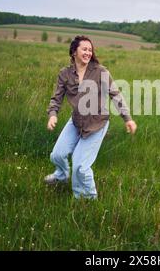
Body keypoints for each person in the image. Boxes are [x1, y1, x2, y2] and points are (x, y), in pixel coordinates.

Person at [45, 35, 137, 199]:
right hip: (76, 121)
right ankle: (61, 176)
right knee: (57, 155)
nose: (88, 52)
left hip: (97, 124)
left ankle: (87, 198)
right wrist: (53, 115)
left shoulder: (100, 71)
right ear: (74, 51)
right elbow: (56, 98)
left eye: (90, 49)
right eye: (84, 49)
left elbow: (116, 95)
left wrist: (127, 118)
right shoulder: (65, 74)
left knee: (80, 166)